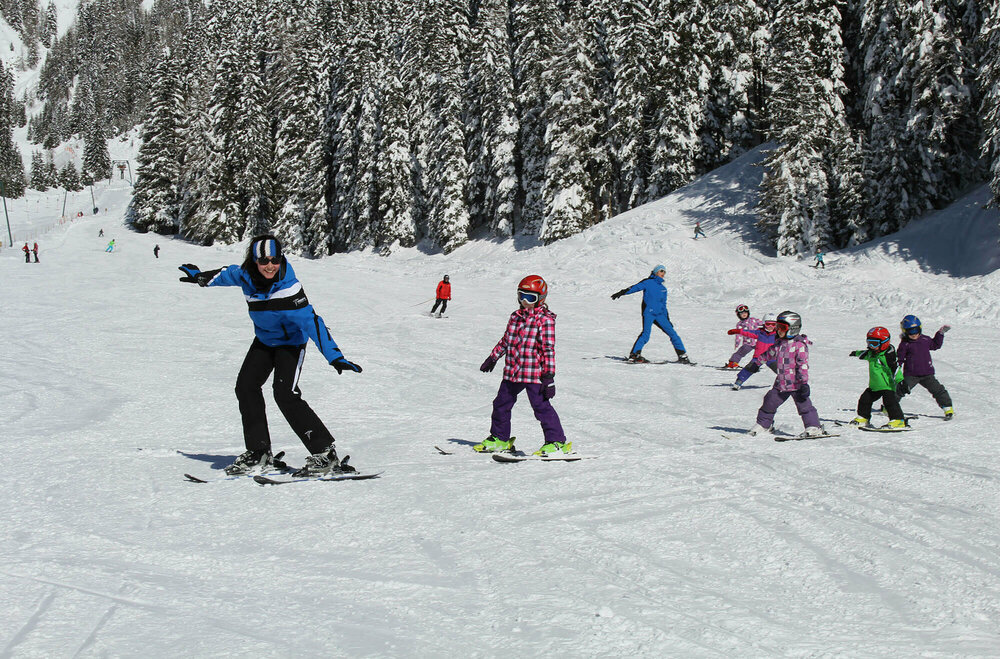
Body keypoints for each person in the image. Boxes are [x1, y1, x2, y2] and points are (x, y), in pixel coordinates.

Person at [177, 234, 363, 476]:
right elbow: (224, 274)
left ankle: (324, 454)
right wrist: (201, 277)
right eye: (263, 260)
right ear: (253, 261)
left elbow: (312, 322)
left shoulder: (289, 288)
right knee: (245, 387)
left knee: (285, 393)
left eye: (275, 259)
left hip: (290, 344)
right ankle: (258, 452)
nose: (269, 265)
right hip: (264, 341)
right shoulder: (245, 275)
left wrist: (334, 356)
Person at [475, 275, 570, 456]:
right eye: (522, 296)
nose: (525, 301)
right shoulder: (515, 317)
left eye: (531, 297)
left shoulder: (545, 320)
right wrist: (493, 357)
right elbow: (506, 340)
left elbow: (547, 349)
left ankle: (557, 442)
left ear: (541, 299)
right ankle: (500, 438)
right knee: (501, 404)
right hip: (512, 372)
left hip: (534, 374)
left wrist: (549, 376)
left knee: (541, 408)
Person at [746, 311, 824, 438]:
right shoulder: (779, 343)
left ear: (792, 329)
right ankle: (764, 425)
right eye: (778, 327)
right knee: (769, 402)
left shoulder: (800, 345)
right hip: (781, 383)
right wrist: (756, 363)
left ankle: (814, 427)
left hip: (797, 383)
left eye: (782, 328)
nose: (778, 330)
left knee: (804, 407)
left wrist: (804, 383)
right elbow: (768, 354)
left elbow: (803, 366)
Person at [610, 264, 691, 364]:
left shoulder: (663, 289)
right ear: (655, 272)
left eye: (664, 272)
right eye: (661, 271)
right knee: (646, 335)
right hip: (649, 313)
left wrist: (667, 319)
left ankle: (682, 356)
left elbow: (663, 305)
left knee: (673, 334)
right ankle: (634, 355)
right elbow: (635, 287)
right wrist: (622, 292)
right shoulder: (648, 282)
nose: (663, 273)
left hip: (660, 315)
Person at [896, 315, 954, 419]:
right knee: (900, 389)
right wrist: (896, 368)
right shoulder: (905, 344)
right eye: (910, 332)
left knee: (938, 390)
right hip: (911, 375)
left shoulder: (925, 339)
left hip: (927, 374)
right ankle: (889, 407)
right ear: (905, 332)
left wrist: (940, 333)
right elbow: (899, 358)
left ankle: (947, 408)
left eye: (916, 330)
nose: (914, 334)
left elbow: (935, 345)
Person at [848, 327, 906, 429]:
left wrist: (900, 381)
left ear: (884, 343)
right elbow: (863, 353)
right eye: (869, 343)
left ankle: (898, 420)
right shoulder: (871, 353)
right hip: (874, 386)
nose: (871, 346)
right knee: (864, 399)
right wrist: (855, 353)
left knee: (890, 403)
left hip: (886, 386)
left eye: (874, 343)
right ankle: (863, 418)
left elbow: (895, 369)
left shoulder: (888, 356)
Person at [730, 313, 779, 390]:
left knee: (780, 370)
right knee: (749, 368)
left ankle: (788, 383)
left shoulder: (777, 335)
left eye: (773, 324)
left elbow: (788, 339)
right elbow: (748, 332)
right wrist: (738, 331)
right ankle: (739, 381)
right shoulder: (759, 333)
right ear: (763, 324)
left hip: (771, 357)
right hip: (758, 357)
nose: (770, 327)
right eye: (768, 324)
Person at [724, 304, 759, 368]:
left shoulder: (753, 320)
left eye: (745, 312)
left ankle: (756, 365)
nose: (744, 314)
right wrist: (737, 343)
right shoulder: (740, 324)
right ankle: (732, 363)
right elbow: (738, 334)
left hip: (758, 341)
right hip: (748, 343)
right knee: (741, 352)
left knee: (763, 353)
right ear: (738, 315)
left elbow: (763, 323)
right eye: (742, 313)